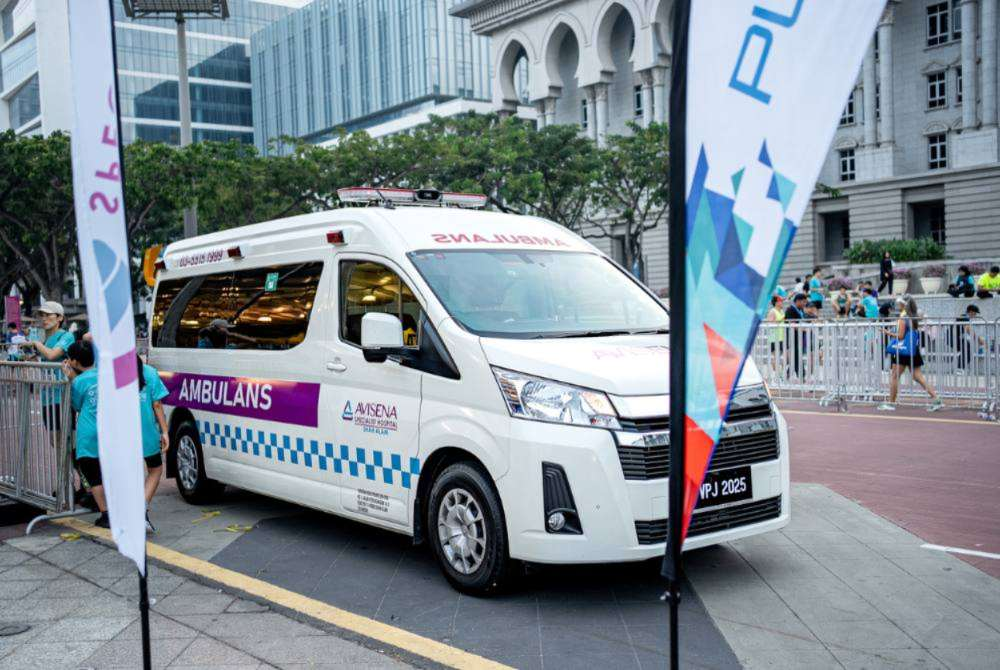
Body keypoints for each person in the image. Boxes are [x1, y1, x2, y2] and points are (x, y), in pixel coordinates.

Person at [64, 341, 109, 528]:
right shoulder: (105, 374)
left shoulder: (78, 382)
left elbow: (76, 405)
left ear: (74, 362)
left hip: (89, 431)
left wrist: (71, 379)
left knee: (92, 473)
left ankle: (106, 514)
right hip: (110, 429)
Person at [877, 297, 942, 412]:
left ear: (903, 304)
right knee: (918, 376)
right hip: (913, 349)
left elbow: (901, 336)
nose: (898, 305)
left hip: (902, 350)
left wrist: (887, 333)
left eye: (899, 303)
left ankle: (891, 403)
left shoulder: (903, 318)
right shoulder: (913, 316)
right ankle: (936, 399)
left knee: (895, 376)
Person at [26, 302, 75, 433]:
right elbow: (44, 359)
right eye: (42, 315)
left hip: (63, 394)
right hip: (46, 396)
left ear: (60, 317)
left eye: (48, 315)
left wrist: (36, 343)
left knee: (66, 438)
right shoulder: (45, 339)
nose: (44, 318)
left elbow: (52, 355)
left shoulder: (66, 336)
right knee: (53, 438)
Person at [137, 354, 170, 532]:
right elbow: (157, 404)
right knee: (155, 470)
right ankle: (140, 510)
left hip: (122, 435)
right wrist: (165, 431)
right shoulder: (149, 372)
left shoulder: (113, 373)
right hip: (147, 433)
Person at [955, 305, 986, 374]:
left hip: (958, 338)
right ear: (971, 312)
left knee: (967, 350)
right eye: (975, 313)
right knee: (967, 349)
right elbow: (969, 330)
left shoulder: (965, 317)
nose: (975, 315)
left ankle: (960, 368)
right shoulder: (964, 317)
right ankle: (959, 369)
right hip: (954, 338)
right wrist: (979, 339)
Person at [784, 293, 809, 378]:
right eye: (803, 302)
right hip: (792, 337)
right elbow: (792, 324)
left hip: (799, 337)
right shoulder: (790, 310)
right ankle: (801, 375)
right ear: (797, 301)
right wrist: (804, 329)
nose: (805, 304)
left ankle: (787, 375)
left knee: (796, 356)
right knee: (796, 356)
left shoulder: (800, 310)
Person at [766, 295, 786, 373]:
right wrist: (781, 319)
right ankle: (777, 374)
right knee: (776, 356)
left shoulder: (782, 311)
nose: (782, 303)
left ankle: (778, 373)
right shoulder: (772, 311)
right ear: (776, 303)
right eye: (780, 301)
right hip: (774, 337)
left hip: (781, 336)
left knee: (779, 356)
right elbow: (769, 323)